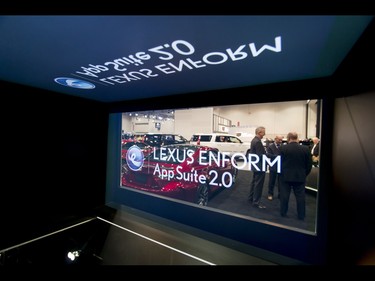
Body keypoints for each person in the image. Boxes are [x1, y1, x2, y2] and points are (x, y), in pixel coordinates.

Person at [279, 132, 312, 220]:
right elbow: (309, 165)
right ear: (297, 138)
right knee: (301, 197)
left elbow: (279, 164)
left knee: (284, 196)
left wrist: (281, 174)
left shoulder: (282, 148)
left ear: (288, 138)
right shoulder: (305, 149)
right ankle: (301, 215)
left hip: (285, 177)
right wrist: (304, 174)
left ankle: (283, 213)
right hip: (300, 177)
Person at [248, 126, 267, 209]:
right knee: (258, 185)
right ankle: (256, 202)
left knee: (254, 183)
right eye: (264, 132)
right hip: (259, 166)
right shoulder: (258, 142)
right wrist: (271, 156)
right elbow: (261, 155)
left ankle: (251, 198)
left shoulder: (254, 140)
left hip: (255, 165)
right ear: (259, 133)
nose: (265, 134)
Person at [266, 135, 283, 200]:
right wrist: (276, 157)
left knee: (280, 182)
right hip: (273, 166)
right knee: (271, 181)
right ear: (275, 139)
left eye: (281, 140)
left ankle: (280, 194)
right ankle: (270, 194)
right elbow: (268, 155)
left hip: (281, 166)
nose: (280, 141)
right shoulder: (270, 146)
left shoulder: (283, 146)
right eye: (279, 140)